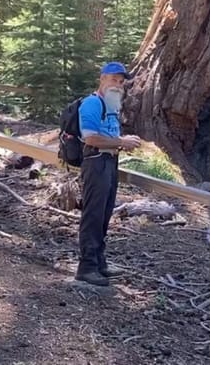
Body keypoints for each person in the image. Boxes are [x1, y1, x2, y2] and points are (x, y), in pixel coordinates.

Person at [75, 61, 142, 286]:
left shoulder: (111, 106)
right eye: (113, 79)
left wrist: (120, 145)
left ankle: (99, 262)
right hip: (96, 162)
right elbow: (90, 138)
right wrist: (122, 141)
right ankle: (87, 267)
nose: (117, 85)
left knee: (104, 213)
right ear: (102, 79)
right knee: (93, 214)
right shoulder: (93, 104)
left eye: (121, 82)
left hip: (110, 162)